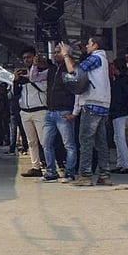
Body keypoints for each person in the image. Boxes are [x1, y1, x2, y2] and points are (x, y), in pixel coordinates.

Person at [58, 37, 112, 186]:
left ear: (95, 45)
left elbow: (74, 71)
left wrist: (66, 55)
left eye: (88, 44)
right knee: (101, 142)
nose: (87, 46)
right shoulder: (104, 60)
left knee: (86, 141)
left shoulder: (96, 58)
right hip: (103, 104)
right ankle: (104, 175)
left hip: (92, 104)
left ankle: (85, 176)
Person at [43, 45, 79, 182]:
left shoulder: (69, 67)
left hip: (65, 110)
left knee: (68, 144)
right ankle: (51, 172)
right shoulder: (52, 70)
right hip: (50, 111)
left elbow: (74, 79)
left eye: (58, 52)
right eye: (55, 52)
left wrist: (74, 112)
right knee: (46, 143)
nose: (55, 54)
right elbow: (34, 77)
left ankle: (70, 173)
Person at [15, 47, 48, 178]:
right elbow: (16, 94)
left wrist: (30, 78)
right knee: (31, 142)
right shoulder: (22, 75)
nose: (26, 60)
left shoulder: (42, 72)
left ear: (34, 57)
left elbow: (43, 88)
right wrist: (15, 81)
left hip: (40, 110)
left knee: (44, 140)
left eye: (28, 57)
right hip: (25, 112)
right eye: (24, 58)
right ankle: (36, 166)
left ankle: (51, 166)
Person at [108, 58, 128, 174]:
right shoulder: (123, 79)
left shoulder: (120, 80)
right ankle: (121, 163)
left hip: (120, 112)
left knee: (120, 138)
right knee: (117, 138)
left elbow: (127, 94)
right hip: (121, 111)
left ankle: (126, 164)